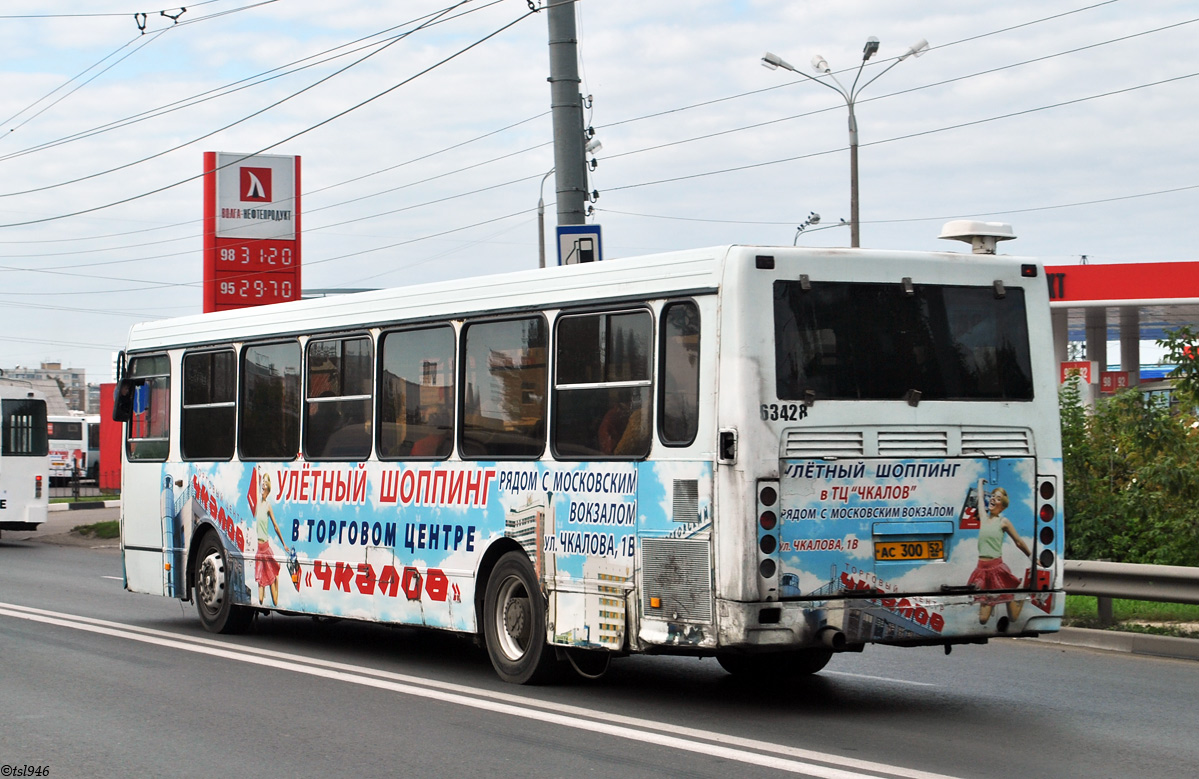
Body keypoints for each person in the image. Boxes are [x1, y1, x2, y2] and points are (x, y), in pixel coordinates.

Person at [968, 486, 1032, 624]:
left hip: (997, 569)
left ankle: (1019, 597)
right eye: (992, 496)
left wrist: (1032, 557)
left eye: (998, 498)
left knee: (1013, 617)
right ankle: (1009, 597)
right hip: (982, 571)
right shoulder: (984, 518)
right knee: (983, 619)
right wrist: (980, 483)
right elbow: (980, 501)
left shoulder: (1003, 522)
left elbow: (1019, 542)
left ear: (1002, 506)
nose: (993, 499)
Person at [254, 473, 291, 607]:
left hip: (266, 549)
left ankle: (276, 577)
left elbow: (275, 527)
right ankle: (275, 576)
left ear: (268, 490)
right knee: (260, 599)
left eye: (265, 487)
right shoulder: (257, 504)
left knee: (275, 602)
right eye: (262, 486)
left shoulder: (268, 506)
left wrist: (284, 544)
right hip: (259, 552)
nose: (263, 488)